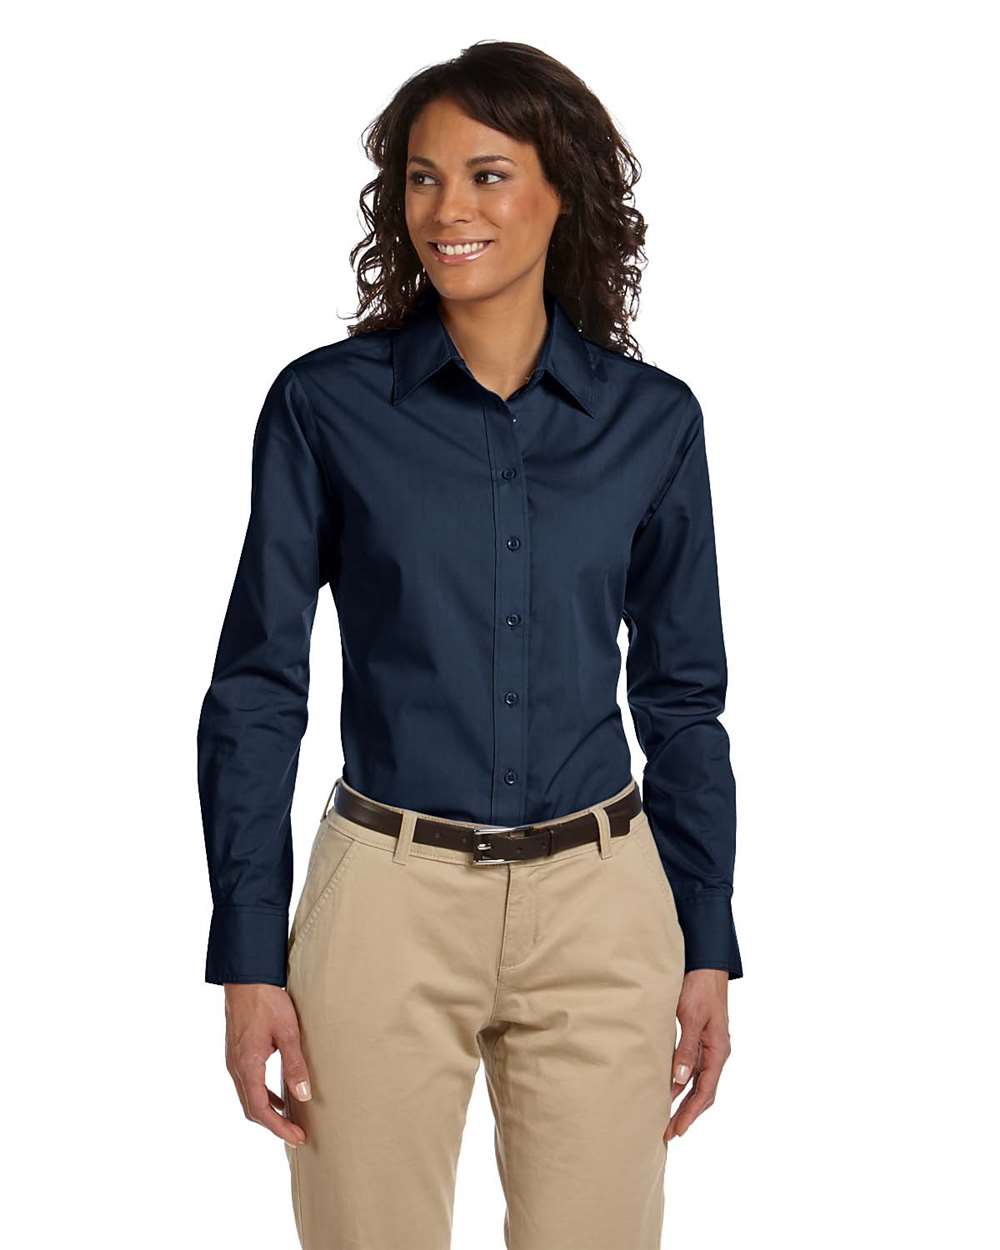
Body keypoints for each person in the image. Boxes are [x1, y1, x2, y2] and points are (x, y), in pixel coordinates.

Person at [197, 39, 743, 1250]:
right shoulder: (323, 408)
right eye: (423, 177)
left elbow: (682, 699)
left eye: (488, 175)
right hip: (384, 900)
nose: (449, 209)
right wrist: (249, 953)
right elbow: (257, 687)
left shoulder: (653, 423)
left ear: (562, 194)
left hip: (602, 902)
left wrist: (706, 939)